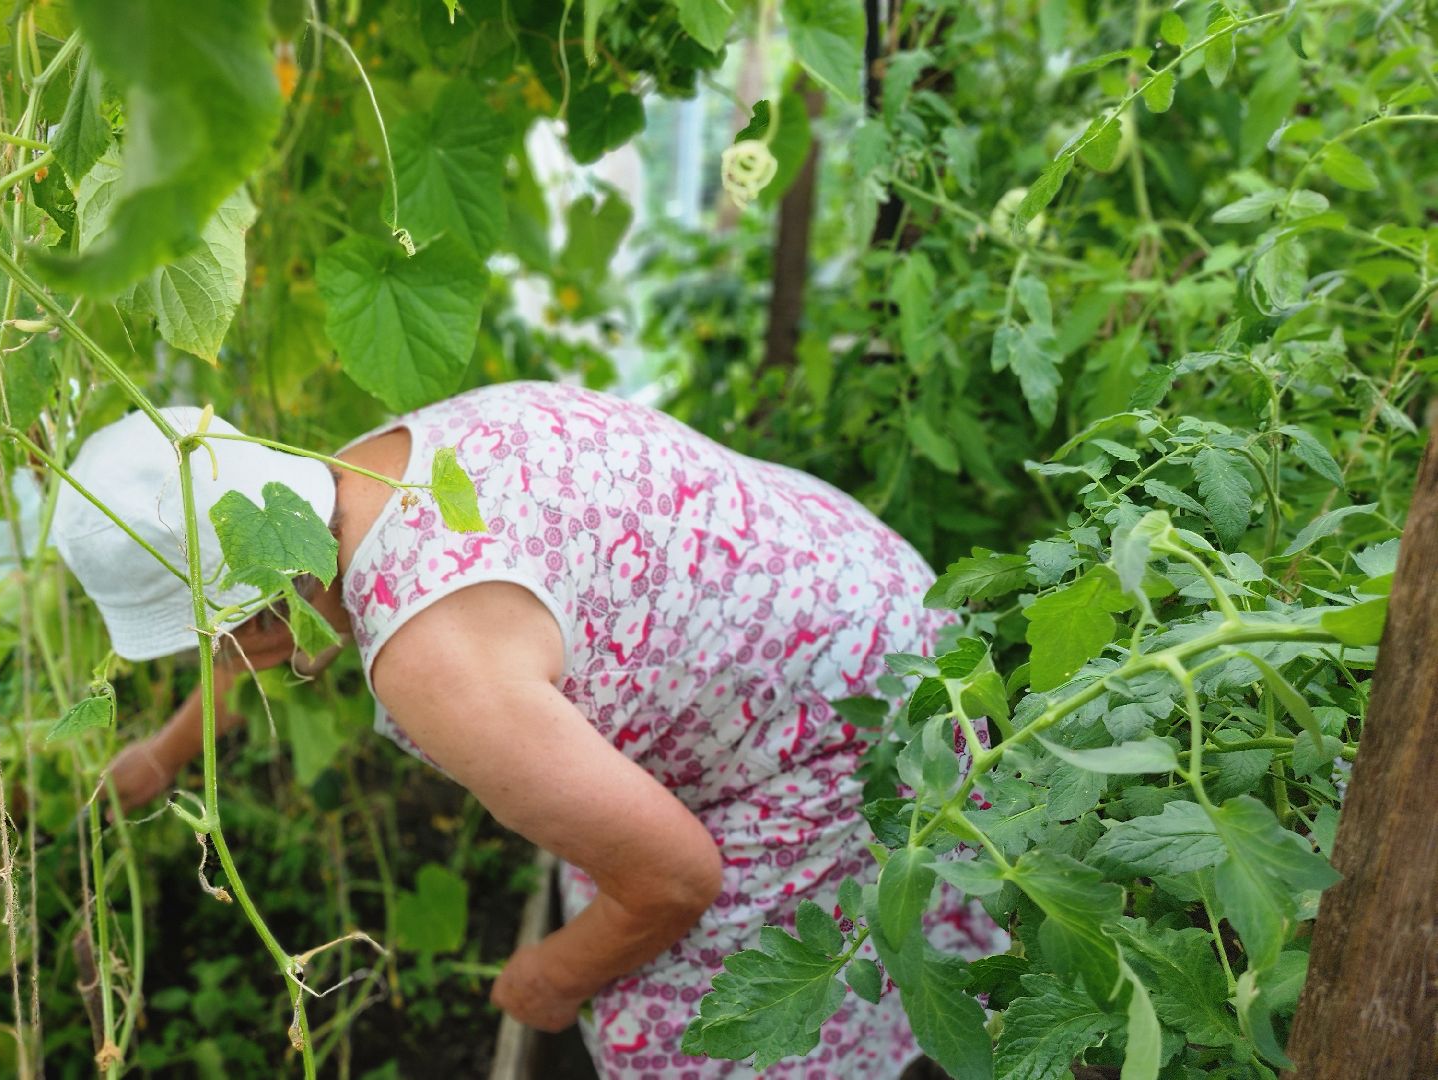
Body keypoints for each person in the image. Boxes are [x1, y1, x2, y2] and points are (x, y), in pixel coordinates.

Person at [54, 381, 1000, 1078]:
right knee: (592, 858)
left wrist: (547, 977)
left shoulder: (430, 654)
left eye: (215, 637)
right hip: (845, 585)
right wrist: (169, 752)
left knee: (671, 1035)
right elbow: (266, 623)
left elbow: (675, 878)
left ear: (256, 617)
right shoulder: (358, 470)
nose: (228, 662)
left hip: (852, 729)